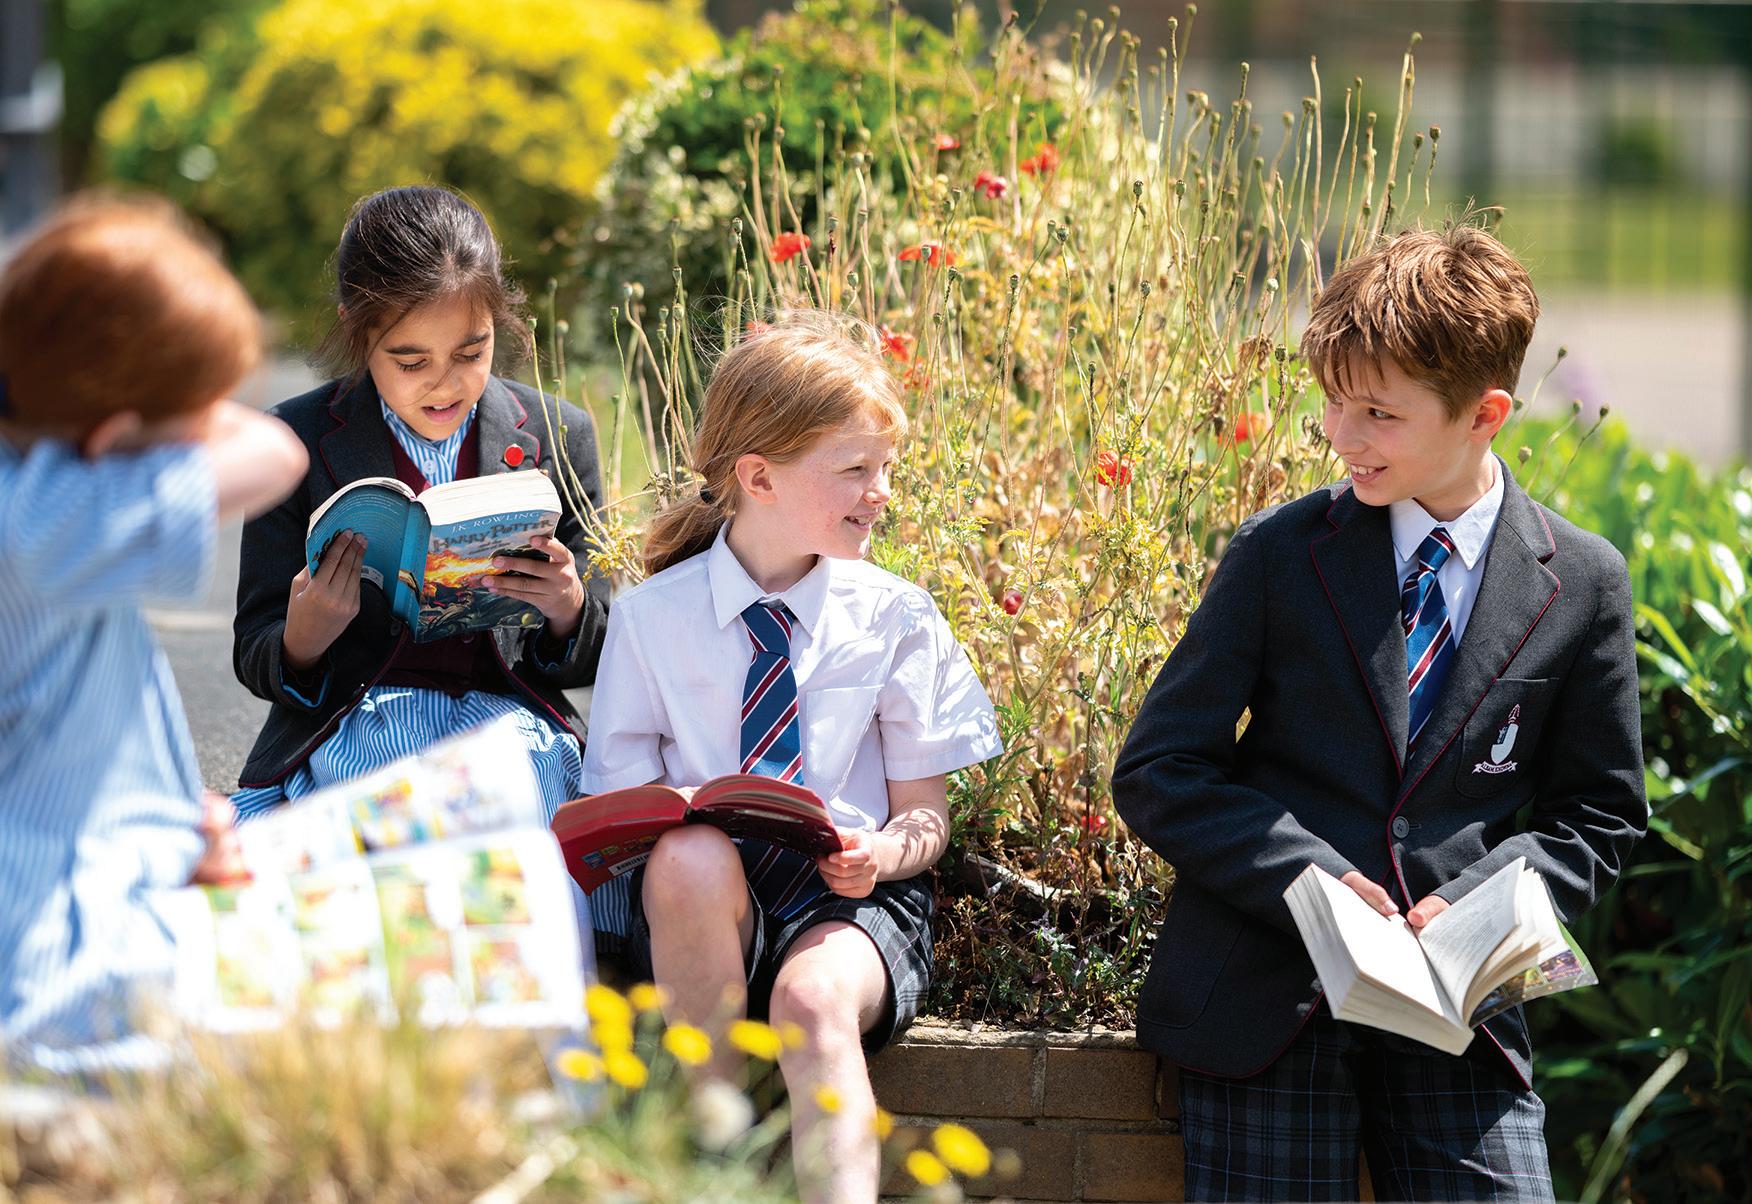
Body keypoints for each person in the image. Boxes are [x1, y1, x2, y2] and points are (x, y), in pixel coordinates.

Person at [1112, 222, 1647, 1201]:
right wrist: (1312, 878)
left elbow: (1600, 816)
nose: (1339, 434)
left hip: (1459, 1006)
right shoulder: (1279, 554)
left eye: (1377, 413)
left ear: (1485, 414)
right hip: (1265, 995)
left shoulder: (1585, 582)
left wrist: (1477, 899)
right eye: (1332, 400)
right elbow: (1160, 769)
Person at [582, 312, 1002, 1204]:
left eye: (886, 467)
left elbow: (926, 816)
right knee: (688, 855)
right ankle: (715, 1166)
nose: (881, 491)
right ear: (759, 476)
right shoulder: (652, 619)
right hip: (704, 917)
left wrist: (880, 852)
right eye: (855, 469)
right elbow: (616, 810)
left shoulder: (895, 616)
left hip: (855, 905)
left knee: (811, 1002)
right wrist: (671, 817)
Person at [229, 185, 609, 949]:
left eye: (472, 353)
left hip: (507, 719)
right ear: (357, 331)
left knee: (515, 829)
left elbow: (597, 647)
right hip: (358, 719)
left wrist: (567, 607)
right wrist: (305, 635)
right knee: (378, 844)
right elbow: (256, 648)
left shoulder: (558, 435)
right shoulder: (293, 441)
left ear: (499, 324)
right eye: (410, 360)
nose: (446, 382)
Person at [0, 195, 307, 1074]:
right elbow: (275, 452)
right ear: (113, 441)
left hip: (89, 895)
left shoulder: (34, 485)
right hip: (64, 968)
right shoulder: (54, 525)